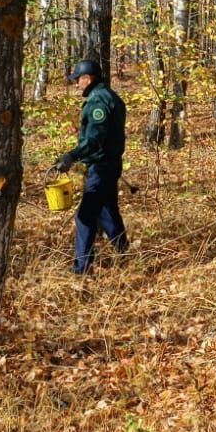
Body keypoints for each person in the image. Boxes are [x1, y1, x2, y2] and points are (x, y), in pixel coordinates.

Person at [52, 58, 128, 274]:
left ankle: (81, 269)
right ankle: (124, 253)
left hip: (102, 168)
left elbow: (94, 139)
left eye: (78, 79)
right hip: (109, 165)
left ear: (88, 78)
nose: (77, 84)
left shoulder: (98, 102)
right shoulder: (110, 97)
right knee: (107, 211)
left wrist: (71, 156)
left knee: (85, 216)